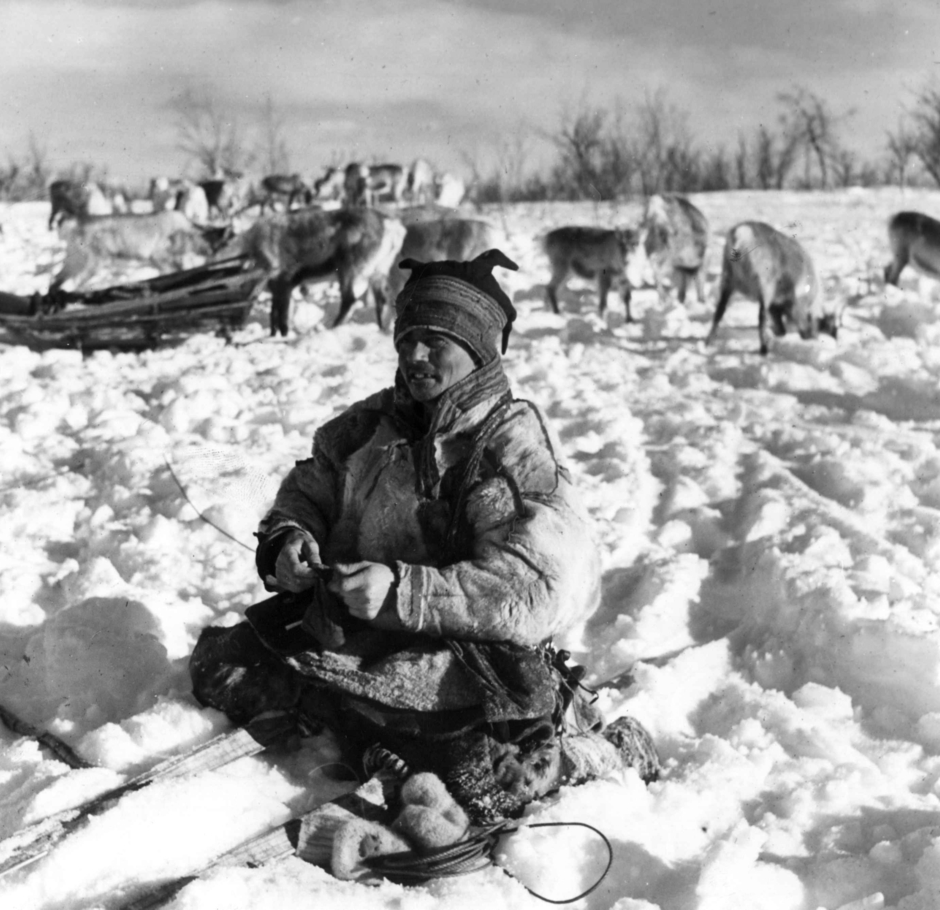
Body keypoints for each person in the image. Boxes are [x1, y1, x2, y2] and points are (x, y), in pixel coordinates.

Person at [190, 249, 658, 825]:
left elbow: (536, 588)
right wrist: (291, 537)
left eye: (436, 340)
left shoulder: (509, 449)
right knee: (221, 665)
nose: (413, 354)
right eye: (407, 335)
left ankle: (602, 752)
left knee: (483, 782)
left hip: (464, 653)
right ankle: (366, 736)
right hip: (358, 630)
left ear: (479, 350)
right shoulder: (372, 422)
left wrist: (404, 593)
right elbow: (311, 484)